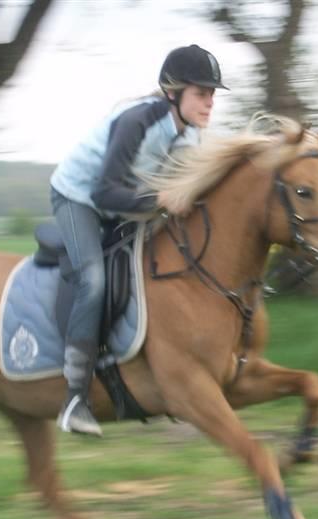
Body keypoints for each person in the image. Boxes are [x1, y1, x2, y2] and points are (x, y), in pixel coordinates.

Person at [50, 44, 228, 436]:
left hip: (125, 208)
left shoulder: (193, 136)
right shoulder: (137, 123)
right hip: (78, 199)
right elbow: (103, 193)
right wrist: (162, 199)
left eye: (212, 94)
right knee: (94, 281)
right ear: (173, 93)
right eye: (201, 93)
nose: (209, 102)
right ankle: (74, 398)